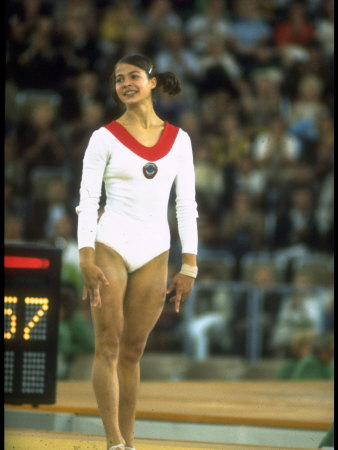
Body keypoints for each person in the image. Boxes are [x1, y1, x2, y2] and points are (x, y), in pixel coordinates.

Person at [75, 54, 198, 450]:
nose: (125, 83)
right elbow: (88, 199)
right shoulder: (104, 137)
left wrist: (190, 264)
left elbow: (185, 204)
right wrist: (86, 256)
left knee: (132, 352)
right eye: (117, 79)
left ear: (153, 82)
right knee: (108, 345)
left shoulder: (180, 140)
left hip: (155, 249)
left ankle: (129, 439)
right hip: (111, 243)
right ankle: (113, 441)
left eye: (132, 77)